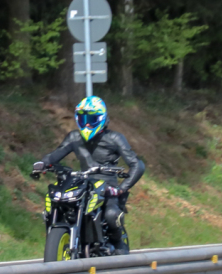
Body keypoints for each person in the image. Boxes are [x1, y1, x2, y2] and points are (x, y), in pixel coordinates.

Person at [31, 96, 145, 254]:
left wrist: (121, 188)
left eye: (92, 119)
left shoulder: (115, 138)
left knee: (111, 215)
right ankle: (62, 235)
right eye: (83, 119)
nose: (88, 124)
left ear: (102, 119)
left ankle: (119, 245)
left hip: (107, 187)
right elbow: (55, 155)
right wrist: (43, 164)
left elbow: (137, 165)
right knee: (57, 202)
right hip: (82, 183)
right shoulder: (74, 137)